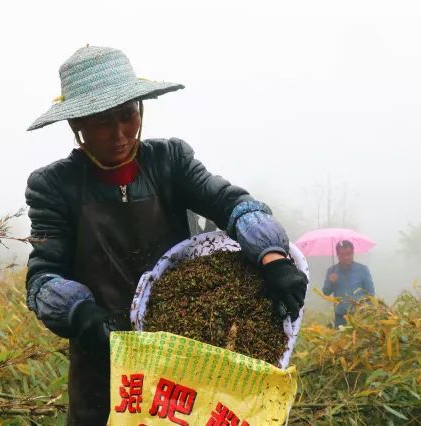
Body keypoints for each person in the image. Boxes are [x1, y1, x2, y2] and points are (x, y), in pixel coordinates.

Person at [24, 46, 308, 425]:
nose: (121, 134)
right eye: (103, 122)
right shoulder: (54, 186)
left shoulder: (169, 161)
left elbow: (229, 202)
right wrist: (82, 316)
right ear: (78, 125)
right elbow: (42, 279)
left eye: (128, 116)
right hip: (107, 360)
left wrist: (272, 256)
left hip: (183, 352)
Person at [322, 240, 375, 327]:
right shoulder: (332, 271)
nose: (346, 257)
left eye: (348, 254)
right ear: (338, 255)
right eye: (342, 255)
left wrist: (368, 311)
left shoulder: (362, 269)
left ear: (353, 253)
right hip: (340, 317)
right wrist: (330, 282)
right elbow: (325, 292)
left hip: (360, 316)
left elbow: (370, 293)